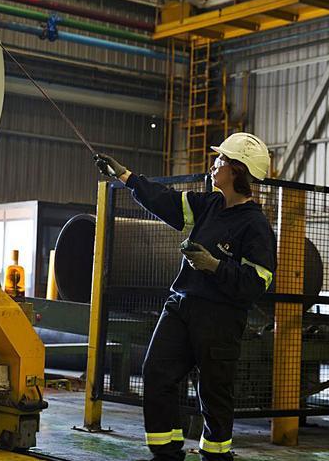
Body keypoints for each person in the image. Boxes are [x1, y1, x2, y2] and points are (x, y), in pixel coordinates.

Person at [94, 133, 277, 461]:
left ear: (237, 170)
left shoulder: (255, 226)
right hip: (181, 306)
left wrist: (214, 266)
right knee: (157, 373)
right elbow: (165, 200)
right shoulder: (209, 205)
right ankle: (166, 453)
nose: (214, 164)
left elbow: (257, 282)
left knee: (213, 393)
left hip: (220, 317)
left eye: (220, 160)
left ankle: (216, 455)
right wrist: (125, 176)